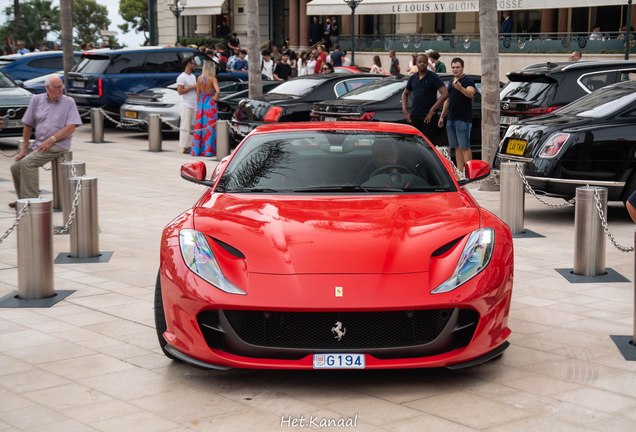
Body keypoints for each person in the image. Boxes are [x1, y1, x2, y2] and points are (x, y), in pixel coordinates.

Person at [9, 75, 81, 207]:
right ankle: (22, 199)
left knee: (28, 163)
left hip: (59, 144)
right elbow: (28, 124)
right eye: (57, 87)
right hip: (39, 143)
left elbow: (71, 127)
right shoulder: (36, 100)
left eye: (61, 86)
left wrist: (51, 140)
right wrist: (24, 148)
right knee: (15, 167)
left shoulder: (68, 102)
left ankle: (31, 202)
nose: (61, 90)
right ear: (47, 88)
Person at [438, 58, 475, 174]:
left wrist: (461, 88)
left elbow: (471, 93)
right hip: (451, 119)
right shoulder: (451, 81)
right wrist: (442, 116)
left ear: (463, 67)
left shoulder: (467, 80)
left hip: (463, 119)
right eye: (453, 67)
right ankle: (460, 172)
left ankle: (470, 174)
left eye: (458, 67)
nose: (455, 69)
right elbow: (447, 100)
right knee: (456, 147)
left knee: (465, 147)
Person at [401, 54, 449, 143]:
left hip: (429, 117)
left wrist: (432, 110)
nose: (422, 64)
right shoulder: (412, 78)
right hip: (414, 116)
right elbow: (405, 93)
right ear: (416, 63)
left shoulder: (433, 77)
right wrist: (405, 110)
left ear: (427, 64)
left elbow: (445, 94)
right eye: (419, 62)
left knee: (429, 145)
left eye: (424, 62)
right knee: (415, 144)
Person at [192, 61, 220, 157]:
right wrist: (215, 98)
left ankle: (197, 150)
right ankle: (209, 151)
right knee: (210, 126)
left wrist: (198, 104)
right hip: (210, 103)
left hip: (201, 102)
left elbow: (197, 93)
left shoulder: (199, 78)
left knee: (200, 126)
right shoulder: (213, 79)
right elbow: (218, 91)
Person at [177, 57, 197, 154]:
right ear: (189, 64)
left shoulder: (193, 76)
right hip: (185, 104)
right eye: (194, 63)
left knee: (192, 126)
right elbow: (180, 91)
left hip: (193, 103)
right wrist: (192, 87)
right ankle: (185, 146)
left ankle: (191, 145)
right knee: (185, 126)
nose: (195, 65)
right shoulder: (182, 77)